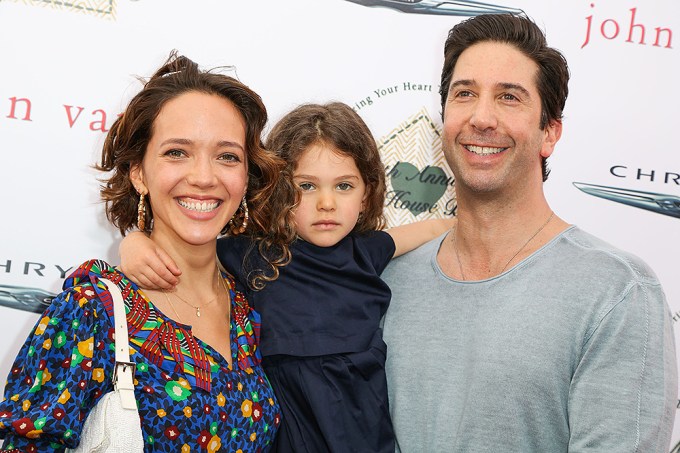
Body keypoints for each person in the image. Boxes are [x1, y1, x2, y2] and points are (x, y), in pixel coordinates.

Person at [381, 13, 678, 452]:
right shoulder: (387, 282)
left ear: (549, 133)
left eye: (509, 98)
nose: (482, 118)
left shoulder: (617, 291)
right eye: (465, 94)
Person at [119, 102, 455, 452]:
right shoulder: (254, 254)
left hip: (363, 426)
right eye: (307, 186)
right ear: (279, 189)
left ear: (366, 193)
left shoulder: (367, 251)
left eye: (344, 186)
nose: (327, 203)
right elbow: (186, 253)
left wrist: (475, 224)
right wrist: (134, 242)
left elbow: (435, 227)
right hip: (292, 428)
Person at [0, 52, 285, 452]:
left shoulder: (251, 301)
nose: (204, 177)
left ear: (245, 176)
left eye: (227, 156)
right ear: (138, 173)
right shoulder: (92, 308)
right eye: (176, 152)